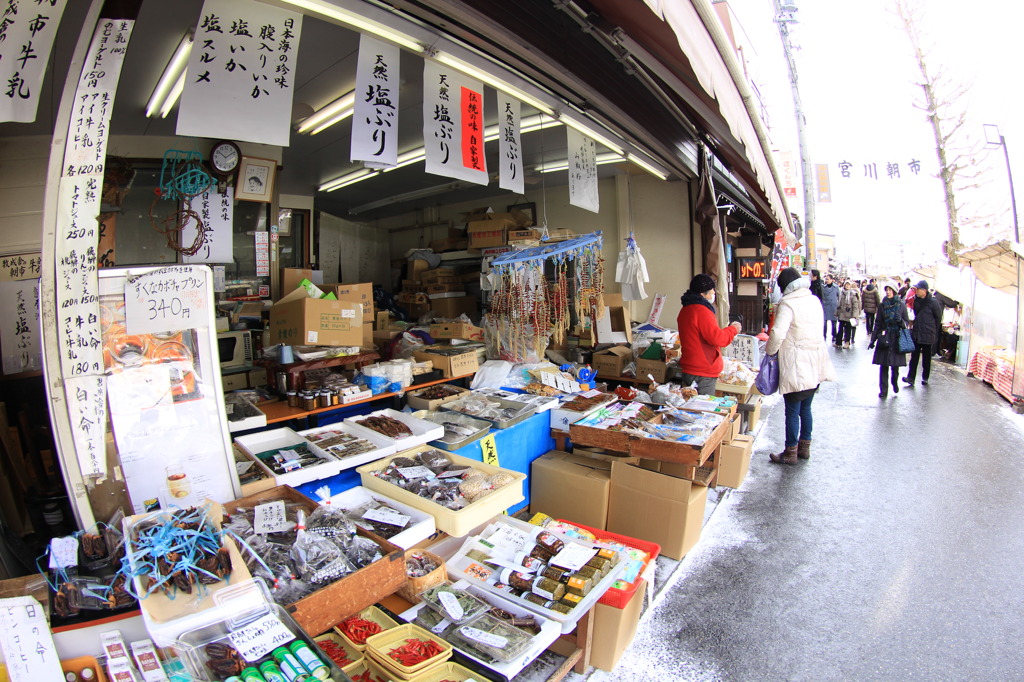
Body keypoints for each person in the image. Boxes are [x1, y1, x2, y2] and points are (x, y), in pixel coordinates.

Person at [765, 268, 837, 465]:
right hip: (815, 361)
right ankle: (804, 448)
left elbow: (778, 333)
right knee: (806, 407)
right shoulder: (813, 299)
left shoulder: (788, 303)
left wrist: (770, 352)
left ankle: (790, 452)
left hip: (797, 363)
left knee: (792, 410)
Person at [677, 274, 742, 395]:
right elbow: (717, 338)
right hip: (702, 371)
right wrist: (733, 329)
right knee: (702, 409)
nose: (713, 293)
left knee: (689, 406)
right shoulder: (701, 311)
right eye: (712, 290)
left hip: (690, 367)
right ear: (702, 293)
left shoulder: (685, 309)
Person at [868, 281, 910, 398]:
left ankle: (894, 382)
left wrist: (901, 321)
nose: (888, 292)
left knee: (895, 366)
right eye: (886, 290)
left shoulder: (901, 305)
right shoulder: (882, 306)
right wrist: (873, 339)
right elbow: (878, 323)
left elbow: (906, 323)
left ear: (895, 291)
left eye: (890, 290)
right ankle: (884, 390)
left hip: (896, 338)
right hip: (885, 336)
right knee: (884, 365)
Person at [904, 279, 943, 386]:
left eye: (918, 289)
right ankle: (910, 377)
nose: (916, 290)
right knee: (914, 356)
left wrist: (933, 329)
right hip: (917, 332)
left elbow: (938, 317)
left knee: (926, 357)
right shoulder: (916, 300)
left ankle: (925, 377)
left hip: (928, 333)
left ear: (924, 290)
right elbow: (916, 314)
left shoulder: (933, 302)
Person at [836, 280, 862, 349]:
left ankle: (847, 342)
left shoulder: (853, 294)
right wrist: (836, 313)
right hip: (842, 314)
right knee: (840, 329)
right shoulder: (841, 293)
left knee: (848, 329)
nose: (847, 286)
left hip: (849, 315)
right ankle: (838, 342)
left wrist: (854, 315)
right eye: (846, 284)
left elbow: (855, 306)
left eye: (848, 285)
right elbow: (839, 304)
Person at [820, 275, 840, 344]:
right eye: (826, 279)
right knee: (824, 323)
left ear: (832, 280)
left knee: (834, 323)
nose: (826, 280)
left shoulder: (836, 287)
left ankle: (834, 336)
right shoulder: (823, 287)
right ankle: (824, 336)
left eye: (828, 279)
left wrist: (838, 306)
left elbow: (839, 296)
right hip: (825, 306)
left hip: (833, 307)